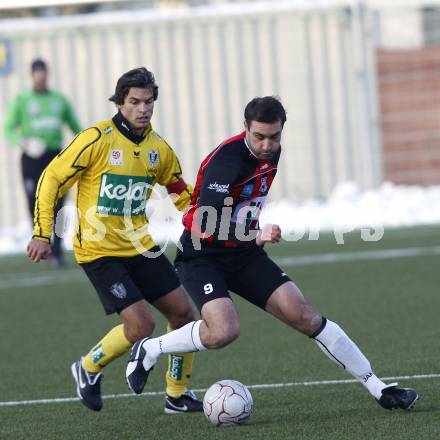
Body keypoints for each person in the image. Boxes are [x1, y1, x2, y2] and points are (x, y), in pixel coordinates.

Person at [126, 96, 419, 411]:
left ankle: (380, 388)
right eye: (259, 137)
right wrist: (254, 232)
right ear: (245, 128)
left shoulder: (272, 151)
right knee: (224, 331)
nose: (267, 145)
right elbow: (201, 222)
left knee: (304, 315)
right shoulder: (227, 162)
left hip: (244, 254)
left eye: (274, 137)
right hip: (202, 256)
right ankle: (151, 349)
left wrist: (250, 235)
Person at [27, 67, 203, 414]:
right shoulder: (96, 138)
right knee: (141, 325)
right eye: (135, 101)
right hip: (98, 251)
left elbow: (181, 193)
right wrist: (41, 232)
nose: (143, 108)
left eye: (148, 102)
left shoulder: (159, 149)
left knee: (184, 315)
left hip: (140, 247)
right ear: (120, 102)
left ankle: (177, 394)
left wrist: (208, 218)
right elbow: (51, 179)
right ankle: (88, 367)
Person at [4, 58, 81, 268]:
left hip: (55, 157)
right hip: (31, 158)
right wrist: (23, 142)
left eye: (43, 72)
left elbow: (77, 128)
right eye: (37, 73)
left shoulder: (59, 100)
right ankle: (40, 244)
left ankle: (57, 252)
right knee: (34, 203)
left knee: (58, 204)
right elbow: (8, 129)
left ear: (47, 74)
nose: (40, 76)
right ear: (32, 75)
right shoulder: (23, 100)